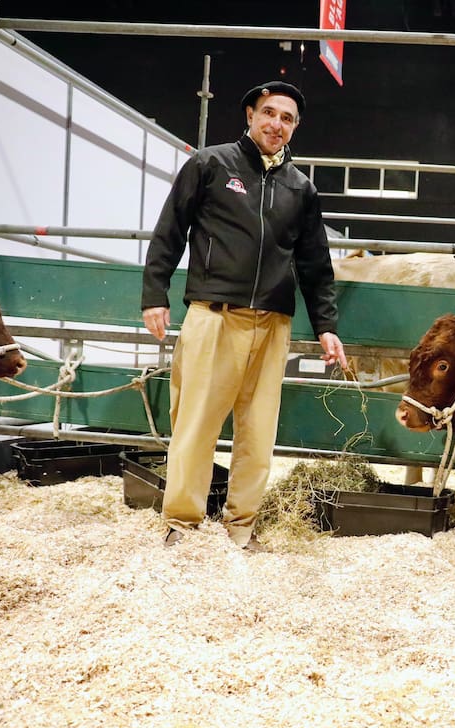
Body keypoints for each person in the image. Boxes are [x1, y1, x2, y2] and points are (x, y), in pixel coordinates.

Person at [141, 80, 348, 551]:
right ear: (251, 115)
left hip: (272, 324)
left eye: (287, 118)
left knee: (258, 431)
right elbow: (169, 231)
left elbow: (316, 265)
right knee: (196, 422)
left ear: (294, 129)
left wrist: (327, 326)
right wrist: (155, 294)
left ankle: (241, 528)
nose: (277, 124)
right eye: (270, 113)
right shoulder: (210, 164)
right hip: (214, 315)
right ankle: (183, 523)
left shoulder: (301, 189)